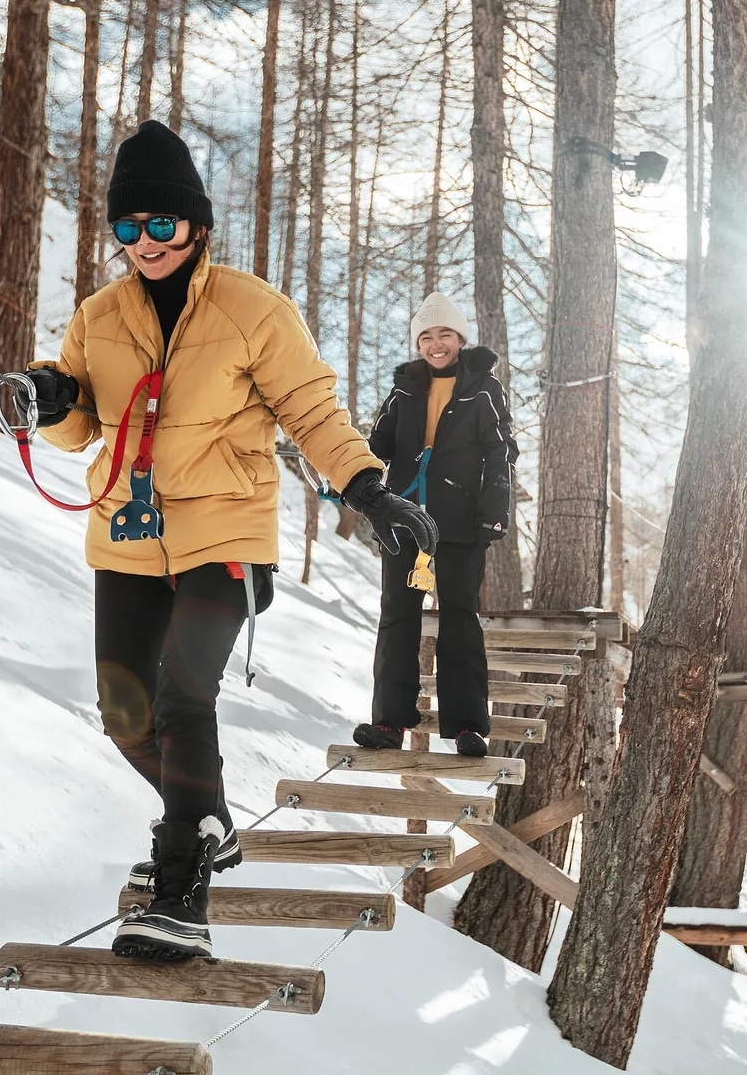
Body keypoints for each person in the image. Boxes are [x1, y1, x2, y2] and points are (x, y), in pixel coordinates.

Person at [23, 120, 437, 961]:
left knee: (183, 694)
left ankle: (181, 894)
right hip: (129, 540)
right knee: (124, 714)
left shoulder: (254, 310)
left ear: (196, 226)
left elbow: (312, 413)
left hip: (229, 539)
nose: (145, 244)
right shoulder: (98, 318)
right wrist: (47, 398)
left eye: (161, 225)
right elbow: (82, 430)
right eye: (128, 229)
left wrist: (367, 489)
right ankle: (204, 813)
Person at [353, 292, 518, 760]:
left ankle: (467, 726)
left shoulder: (483, 387)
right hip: (403, 520)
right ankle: (389, 720)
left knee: (459, 617)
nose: (435, 343)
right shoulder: (404, 388)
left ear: (460, 339)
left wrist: (495, 511)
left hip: (460, 522)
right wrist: (354, 480)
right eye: (426, 336)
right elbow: (376, 446)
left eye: (444, 334)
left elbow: (500, 451)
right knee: (397, 616)